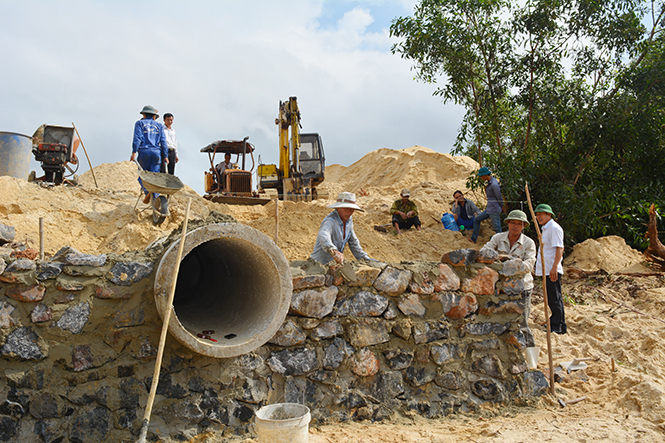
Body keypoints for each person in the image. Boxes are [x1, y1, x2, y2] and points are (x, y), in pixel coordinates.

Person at [480, 210, 537, 347]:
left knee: (521, 322)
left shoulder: (529, 243)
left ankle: (530, 355)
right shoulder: (498, 238)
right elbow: (483, 253)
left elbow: (529, 265)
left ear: (523, 226)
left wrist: (508, 263)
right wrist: (503, 258)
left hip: (523, 287)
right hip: (502, 287)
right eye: (513, 223)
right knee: (501, 320)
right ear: (508, 223)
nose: (515, 226)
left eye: (519, 224)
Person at [310, 192, 372, 264]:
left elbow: (354, 243)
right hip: (318, 264)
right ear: (338, 207)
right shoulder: (330, 221)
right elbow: (323, 234)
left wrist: (366, 260)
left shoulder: (349, 221)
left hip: (334, 265)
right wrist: (333, 250)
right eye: (346, 208)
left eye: (352, 209)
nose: (349, 212)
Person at [534, 203, 567, 334]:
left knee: (554, 298)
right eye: (536, 215)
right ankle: (558, 324)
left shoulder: (554, 228)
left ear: (549, 214)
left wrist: (554, 267)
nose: (538, 217)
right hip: (546, 269)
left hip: (551, 269)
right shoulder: (545, 229)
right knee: (551, 297)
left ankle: (557, 325)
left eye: (541, 214)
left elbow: (560, 248)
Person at [130, 105, 168, 204]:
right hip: (156, 153)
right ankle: (154, 197)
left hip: (144, 152)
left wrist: (134, 152)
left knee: (142, 176)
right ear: (154, 116)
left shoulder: (139, 123)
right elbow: (163, 141)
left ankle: (148, 192)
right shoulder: (159, 126)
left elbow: (137, 138)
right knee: (154, 176)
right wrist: (166, 156)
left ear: (143, 114)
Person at [471, 166, 503, 243]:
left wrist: (501, 207)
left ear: (485, 175)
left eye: (481, 176)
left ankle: (503, 244)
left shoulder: (494, 184)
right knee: (477, 219)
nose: (481, 177)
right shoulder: (490, 183)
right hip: (490, 209)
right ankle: (473, 239)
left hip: (494, 209)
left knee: (497, 228)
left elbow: (499, 197)